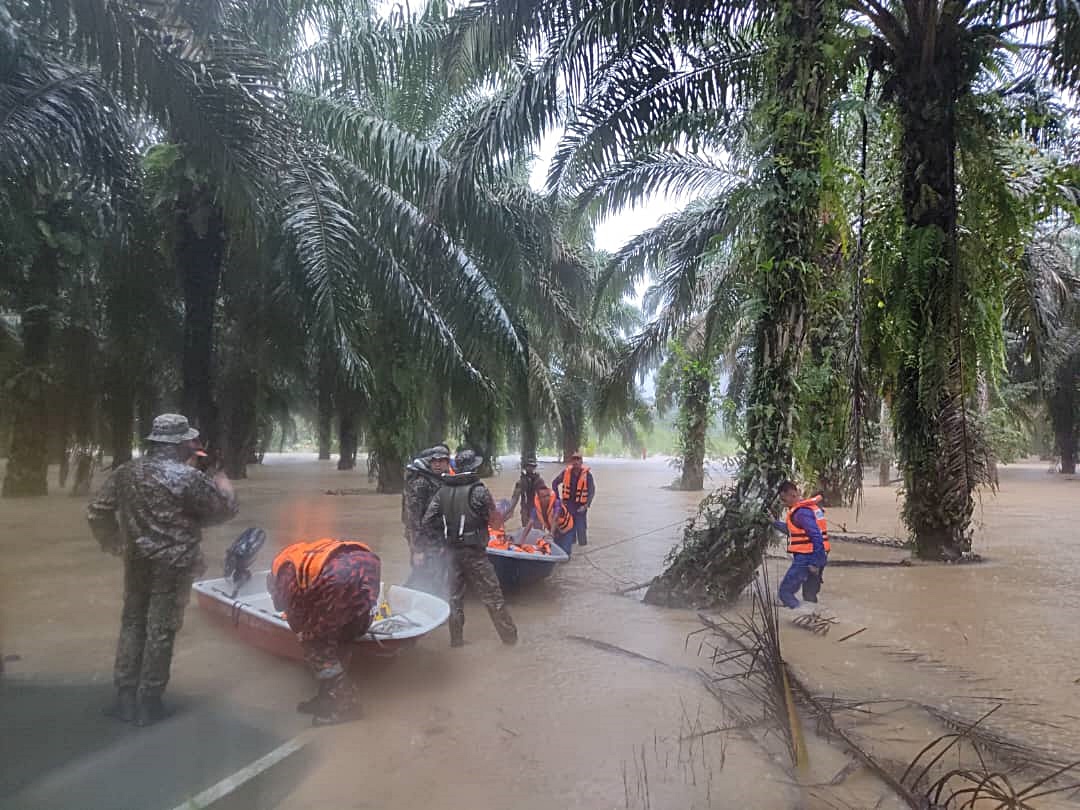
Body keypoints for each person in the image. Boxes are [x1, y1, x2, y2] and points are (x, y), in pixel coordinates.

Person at [87, 413, 238, 726]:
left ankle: (124, 697)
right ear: (181, 444)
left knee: (132, 622)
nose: (194, 445)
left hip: (137, 559)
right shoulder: (188, 478)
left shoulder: (126, 472)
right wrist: (223, 485)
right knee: (161, 630)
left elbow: (97, 512)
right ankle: (150, 703)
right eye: (190, 442)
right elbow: (222, 513)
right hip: (175, 564)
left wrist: (115, 544)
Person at [267, 539, 381, 726]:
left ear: (273, 585)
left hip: (337, 576)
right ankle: (328, 697)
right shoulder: (292, 560)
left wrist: (308, 640)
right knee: (342, 634)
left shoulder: (286, 580)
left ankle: (346, 705)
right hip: (366, 564)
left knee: (317, 647)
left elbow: (299, 622)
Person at [423, 449, 518, 647]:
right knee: (494, 598)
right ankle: (511, 643)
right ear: (474, 467)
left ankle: (456, 642)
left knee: (454, 598)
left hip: (451, 553)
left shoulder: (442, 491)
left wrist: (441, 540)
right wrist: (507, 508)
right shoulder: (479, 490)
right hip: (475, 554)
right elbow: (495, 522)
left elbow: (427, 521)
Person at [401, 444, 452, 595]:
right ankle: (404, 603)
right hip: (424, 540)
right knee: (425, 577)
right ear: (429, 462)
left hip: (437, 539)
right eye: (434, 461)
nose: (437, 464)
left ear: (447, 463)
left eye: (441, 460)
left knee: (431, 576)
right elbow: (413, 519)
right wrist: (418, 549)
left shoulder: (441, 480)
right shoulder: (421, 484)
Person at [773, 481, 830, 610]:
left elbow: (816, 536)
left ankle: (803, 614)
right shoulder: (807, 509)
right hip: (818, 555)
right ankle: (814, 619)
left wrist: (815, 563)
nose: (783, 503)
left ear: (792, 495)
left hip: (808, 558)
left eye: (783, 499)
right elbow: (794, 531)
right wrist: (774, 523)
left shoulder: (801, 513)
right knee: (809, 595)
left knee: (785, 592)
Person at [553, 451, 595, 547]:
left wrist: (586, 505)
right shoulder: (565, 473)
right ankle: (570, 547)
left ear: (581, 461)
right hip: (568, 505)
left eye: (578, 459)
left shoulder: (587, 475)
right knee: (569, 528)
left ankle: (583, 548)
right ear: (571, 461)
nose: (576, 462)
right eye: (574, 459)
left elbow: (592, 491)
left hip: (581, 506)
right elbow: (554, 483)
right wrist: (558, 499)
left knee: (581, 529)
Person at [525, 482, 575, 556]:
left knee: (565, 554)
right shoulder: (536, 508)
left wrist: (551, 534)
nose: (547, 498)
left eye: (548, 495)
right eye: (544, 497)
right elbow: (530, 523)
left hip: (567, 530)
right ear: (539, 498)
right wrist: (522, 539)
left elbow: (555, 519)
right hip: (556, 531)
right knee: (555, 552)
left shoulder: (556, 503)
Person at [505, 454, 546, 526]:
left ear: (534, 467)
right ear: (525, 467)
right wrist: (511, 510)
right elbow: (515, 497)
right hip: (525, 509)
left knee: (538, 531)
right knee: (525, 529)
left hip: (537, 509)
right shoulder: (521, 482)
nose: (530, 468)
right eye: (528, 466)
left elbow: (545, 496)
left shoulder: (539, 481)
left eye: (532, 466)